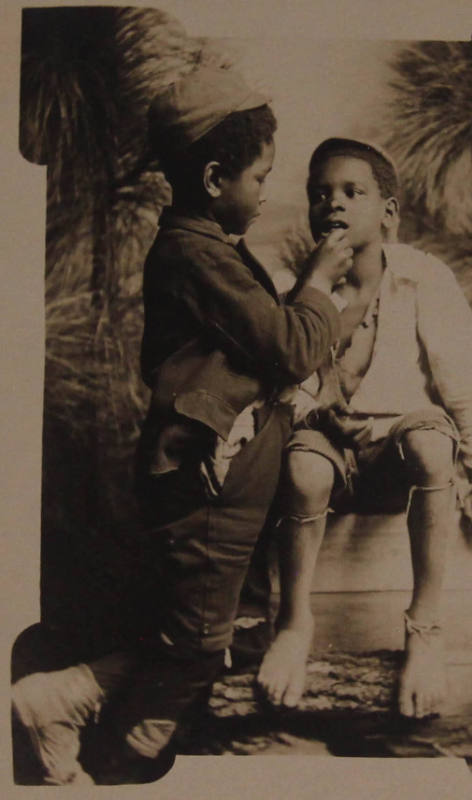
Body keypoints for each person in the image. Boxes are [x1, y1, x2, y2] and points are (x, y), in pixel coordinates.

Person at [11, 66, 353, 785]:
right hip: (206, 488)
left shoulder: (210, 251)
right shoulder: (191, 254)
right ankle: (69, 713)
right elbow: (288, 342)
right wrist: (319, 279)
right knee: (195, 648)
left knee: (199, 634)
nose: (267, 192)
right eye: (259, 178)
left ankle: (71, 706)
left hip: (227, 487)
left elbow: (265, 344)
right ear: (211, 178)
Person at [256, 137, 472, 718]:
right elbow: (278, 388)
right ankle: (294, 622)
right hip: (329, 453)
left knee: (429, 438)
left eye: (354, 192)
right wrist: (314, 291)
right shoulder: (292, 288)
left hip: (400, 451)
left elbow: (468, 381)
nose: (335, 204)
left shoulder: (421, 278)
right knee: (301, 466)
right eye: (320, 194)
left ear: (389, 213)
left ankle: (424, 626)